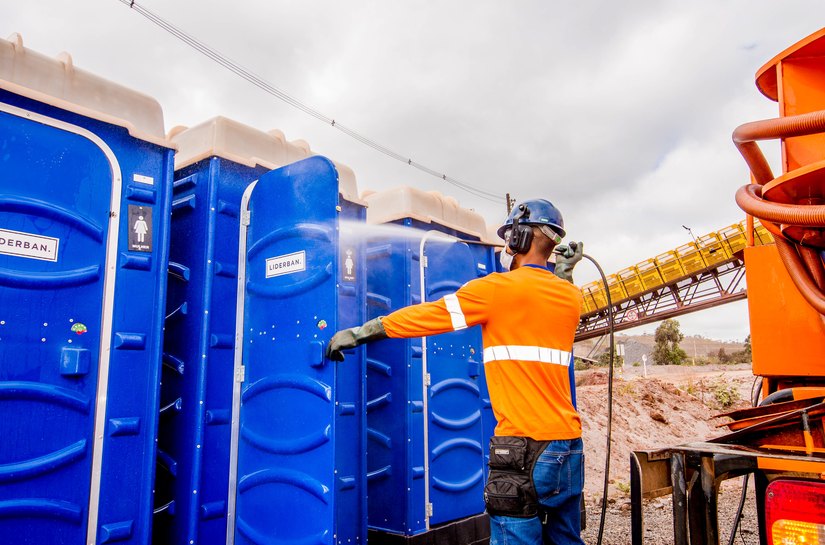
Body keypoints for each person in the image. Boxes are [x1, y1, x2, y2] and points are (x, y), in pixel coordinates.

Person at [327, 198, 585, 545]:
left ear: (520, 238)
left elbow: (428, 315)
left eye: (511, 236)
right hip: (568, 447)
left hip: (525, 449)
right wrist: (564, 273)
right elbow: (548, 302)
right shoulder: (570, 297)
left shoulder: (496, 290)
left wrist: (362, 332)